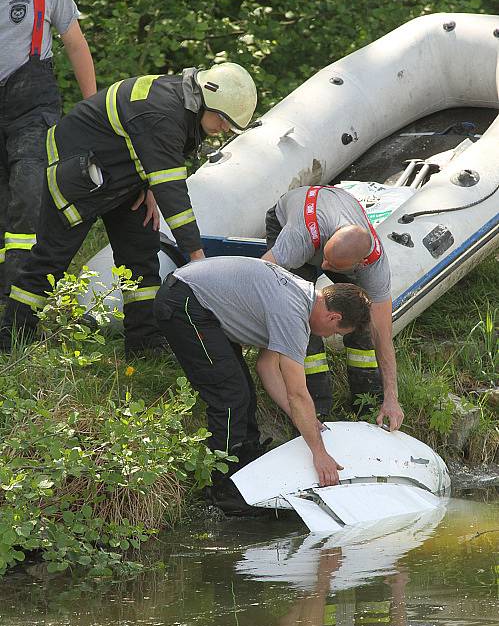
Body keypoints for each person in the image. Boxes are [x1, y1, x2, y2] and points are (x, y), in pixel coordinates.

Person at [0, 61, 257, 357]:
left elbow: (151, 150)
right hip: (79, 172)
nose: (224, 128)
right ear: (206, 99)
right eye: (223, 119)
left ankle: (144, 342)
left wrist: (148, 186)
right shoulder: (164, 113)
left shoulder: (183, 105)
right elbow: (175, 199)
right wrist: (198, 261)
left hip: (122, 176)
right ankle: (13, 335)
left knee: (141, 254)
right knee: (51, 257)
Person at [153, 256, 371, 512]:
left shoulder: (303, 296)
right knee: (229, 396)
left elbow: (266, 368)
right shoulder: (293, 314)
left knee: (243, 390)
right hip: (185, 304)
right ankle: (222, 490)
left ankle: (246, 466)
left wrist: (307, 422)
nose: (330, 336)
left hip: (197, 299)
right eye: (335, 332)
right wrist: (319, 453)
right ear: (334, 317)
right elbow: (298, 394)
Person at [262, 184, 404, 431]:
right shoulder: (297, 239)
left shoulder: (374, 266)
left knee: (362, 321)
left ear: (358, 264)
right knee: (302, 316)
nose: (324, 266)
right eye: (324, 259)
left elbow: (383, 336)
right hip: (296, 221)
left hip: (331, 225)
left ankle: (367, 405)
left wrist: (392, 397)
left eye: (332, 265)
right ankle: (316, 408)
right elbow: (259, 277)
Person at [0, 0, 96, 300]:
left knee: (29, 197)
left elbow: (76, 44)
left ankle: (19, 299)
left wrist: (92, 111)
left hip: (32, 110)